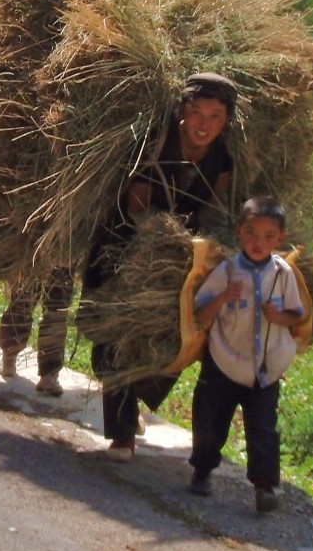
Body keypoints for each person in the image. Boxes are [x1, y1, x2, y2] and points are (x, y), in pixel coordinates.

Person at [85, 72, 239, 462]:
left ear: (225, 122)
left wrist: (200, 254)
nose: (204, 124)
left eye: (216, 116)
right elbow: (137, 211)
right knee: (115, 333)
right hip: (125, 247)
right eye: (197, 112)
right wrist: (161, 246)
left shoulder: (222, 161)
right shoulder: (153, 147)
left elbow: (213, 213)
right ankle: (122, 436)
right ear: (181, 112)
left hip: (182, 258)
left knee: (181, 335)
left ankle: (136, 396)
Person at [188, 196, 305, 514]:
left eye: (269, 236)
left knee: (264, 428)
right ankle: (202, 470)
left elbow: (297, 314)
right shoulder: (226, 271)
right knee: (210, 420)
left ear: (280, 239)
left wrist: (278, 316)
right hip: (224, 360)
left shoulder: (283, 275)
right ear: (240, 231)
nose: (259, 242)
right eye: (252, 233)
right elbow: (201, 312)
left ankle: (265, 486)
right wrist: (225, 296)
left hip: (266, 367)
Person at [0, 267, 74, 396]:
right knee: (55, 305)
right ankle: (49, 376)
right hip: (64, 252)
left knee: (24, 297)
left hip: (37, 251)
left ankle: (9, 358)